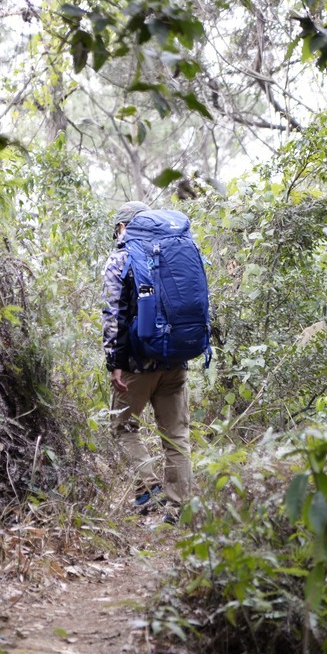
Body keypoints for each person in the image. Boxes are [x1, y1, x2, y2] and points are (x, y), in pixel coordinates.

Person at [101, 201, 192, 516]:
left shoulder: (120, 258)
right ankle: (178, 507)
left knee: (122, 428)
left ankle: (148, 485)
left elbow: (113, 314)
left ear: (124, 227)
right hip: (176, 359)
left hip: (137, 364)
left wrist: (114, 363)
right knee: (177, 436)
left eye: (117, 228)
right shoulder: (174, 253)